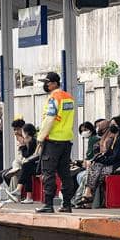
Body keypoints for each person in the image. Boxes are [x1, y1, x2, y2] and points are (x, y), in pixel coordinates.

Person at [35, 72, 77, 214]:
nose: (44, 85)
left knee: (48, 173)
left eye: (46, 82)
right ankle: (66, 204)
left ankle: (48, 204)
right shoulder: (69, 98)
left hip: (52, 140)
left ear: (54, 83)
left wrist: (40, 137)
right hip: (66, 140)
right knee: (65, 173)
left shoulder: (53, 98)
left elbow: (50, 118)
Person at [78, 120, 120, 208]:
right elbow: (107, 154)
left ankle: (87, 196)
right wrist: (97, 159)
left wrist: (100, 161)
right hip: (113, 165)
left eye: (114, 124)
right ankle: (88, 197)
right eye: (111, 124)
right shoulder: (114, 139)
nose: (112, 126)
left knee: (96, 172)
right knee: (95, 170)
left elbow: (114, 158)